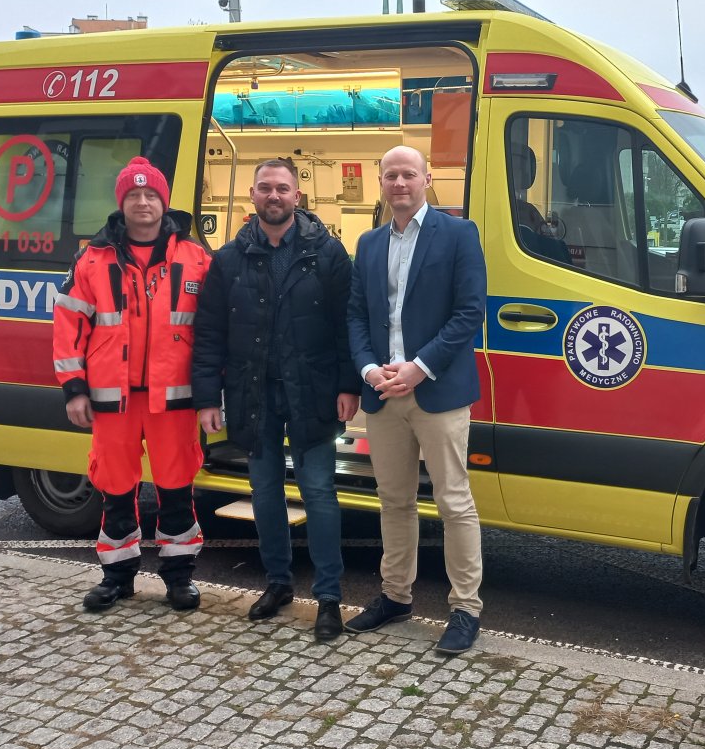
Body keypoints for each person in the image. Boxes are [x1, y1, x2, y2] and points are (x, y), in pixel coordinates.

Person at [192, 158, 360, 641]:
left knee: (320, 495)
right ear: (252, 195)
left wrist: (348, 386)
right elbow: (209, 335)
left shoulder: (328, 255)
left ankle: (329, 597)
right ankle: (278, 583)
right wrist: (208, 397)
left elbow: (346, 327)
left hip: (312, 392)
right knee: (264, 493)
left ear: (297, 197)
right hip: (252, 395)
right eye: (265, 188)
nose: (274, 196)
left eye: (282, 188)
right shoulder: (228, 259)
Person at [345, 145, 487, 655]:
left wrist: (418, 368)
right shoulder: (367, 244)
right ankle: (395, 595)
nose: (399, 183)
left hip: (438, 391)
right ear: (380, 182)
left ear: (427, 178)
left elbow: (469, 313)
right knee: (394, 501)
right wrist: (368, 369)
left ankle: (465, 608)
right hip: (383, 393)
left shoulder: (458, 234)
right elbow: (357, 316)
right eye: (390, 175)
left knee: (454, 502)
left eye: (408, 174)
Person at [53, 156, 212, 613]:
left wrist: (209, 392)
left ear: (164, 202)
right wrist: (74, 388)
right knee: (116, 489)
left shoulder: (195, 257)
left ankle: (180, 579)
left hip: (175, 399)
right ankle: (117, 577)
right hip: (110, 399)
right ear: (121, 204)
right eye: (133, 196)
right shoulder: (92, 259)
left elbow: (212, 332)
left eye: (151, 195)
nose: (142, 203)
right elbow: (68, 327)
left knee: (177, 489)